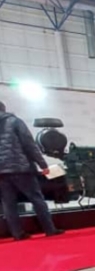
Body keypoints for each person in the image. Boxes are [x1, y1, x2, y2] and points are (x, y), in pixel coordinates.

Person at [0, 102, 64, 241]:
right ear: (3, 109)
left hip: (1, 173)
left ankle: (18, 234)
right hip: (20, 167)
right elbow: (29, 144)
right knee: (36, 198)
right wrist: (42, 164)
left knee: (8, 203)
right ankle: (49, 229)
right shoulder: (14, 121)